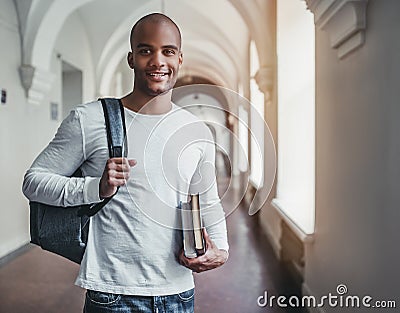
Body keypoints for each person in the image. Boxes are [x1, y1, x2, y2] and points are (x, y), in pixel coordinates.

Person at [22, 12, 229, 313]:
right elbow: (33, 181)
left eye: (168, 51)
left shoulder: (195, 131)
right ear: (131, 59)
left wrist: (221, 249)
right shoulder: (90, 119)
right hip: (112, 294)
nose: (158, 61)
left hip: (178, 293)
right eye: (146, 51)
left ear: (180, 59)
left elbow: (208, 201)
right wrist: (97, 188)